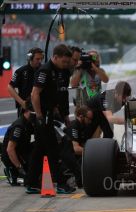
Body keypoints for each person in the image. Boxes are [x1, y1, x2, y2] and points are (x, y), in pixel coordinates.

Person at [27, 44, 75, 194]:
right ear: (55, 57)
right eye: (64, 61)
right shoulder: (45, 71)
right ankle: (60, 183)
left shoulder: (62, 71)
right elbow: (35, 94)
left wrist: (64, 115)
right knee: (53, 149)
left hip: (50, 113)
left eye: (68, 62)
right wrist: (40, 115)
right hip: (42, 115)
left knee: (39, 149)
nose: (66, 64)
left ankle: (31, 183)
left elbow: (60, 95)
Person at [1, 99, 35, 186]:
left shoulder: (28, 123)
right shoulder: (19, 126)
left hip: (22, 150)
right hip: (12, 155)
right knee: (30, 178)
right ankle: (13, 172)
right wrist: (20, 168)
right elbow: (10, 149)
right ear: (28, 111)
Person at [7, 47, 44, 117]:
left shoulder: (44, 71)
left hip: (41, 106)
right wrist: (21, 102)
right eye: (37, 59)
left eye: (41, 59)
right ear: (30, 58)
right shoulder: (21, 71)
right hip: (25, 108)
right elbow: (10, 87)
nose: (40, 61)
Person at [56, 46, 82, 126]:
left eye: (78, 60)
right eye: (74, 60)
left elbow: (64, 92)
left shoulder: (68, 70)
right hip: (52, 110)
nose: (76, 63)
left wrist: (66, 114)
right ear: (68, 57)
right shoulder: (56, 70)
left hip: (62, 110)